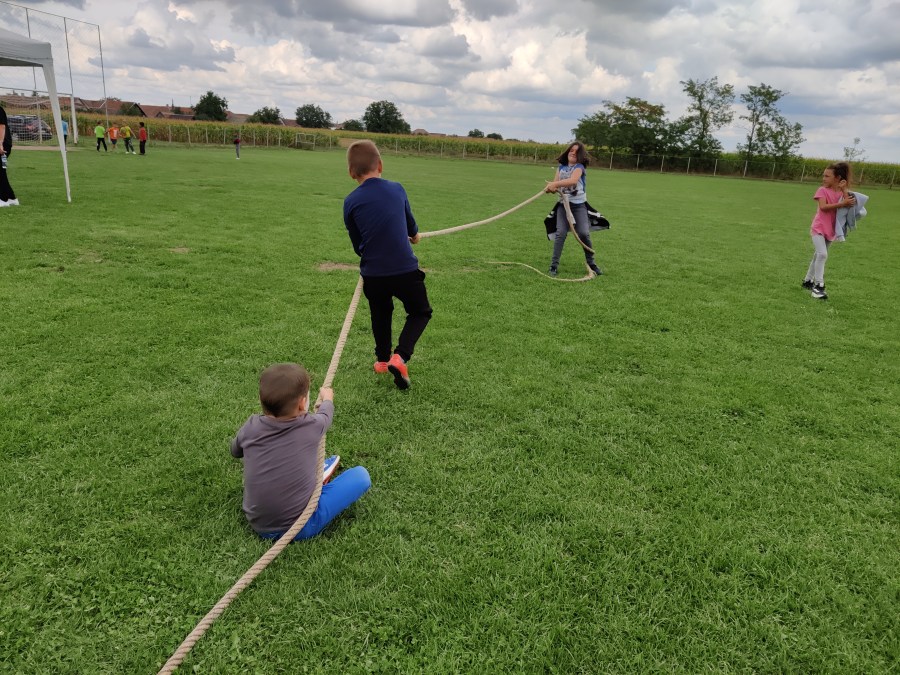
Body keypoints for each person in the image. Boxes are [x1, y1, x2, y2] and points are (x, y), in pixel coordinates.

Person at [231, 362, 371, 541]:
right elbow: (326, 415)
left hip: (258, 523)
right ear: (302, 403)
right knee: (360, 476)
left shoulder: (251, 426)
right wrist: (328, 399)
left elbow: (235, 451)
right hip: (300, 526)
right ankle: (319, 478)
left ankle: (316, 475)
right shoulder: (311, 426)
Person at [343, 140, 433, 390]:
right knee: (420, 312)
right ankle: (399, 357)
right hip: (405, 270)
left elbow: (358, 244)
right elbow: (410, 225)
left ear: (351, 173)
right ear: (380, 165)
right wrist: (414, 235)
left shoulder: (350, 201)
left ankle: (383, 360)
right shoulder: (397, 188)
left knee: (380, 313)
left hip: (374, 275)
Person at [544, 141, 602, 278]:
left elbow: (573, 181)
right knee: (560, 233)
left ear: (580, 155)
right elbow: (556, 186)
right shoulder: (561, 168)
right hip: (563, 206)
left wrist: (554, 184)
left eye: (577, 152)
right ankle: (553, 266)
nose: (573, 153)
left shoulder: (579, 167)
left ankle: (591, 263)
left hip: (579, 206)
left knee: (583, 233)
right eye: (571, 150)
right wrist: (551, 189)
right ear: (567, 152)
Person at [801, 162, 856, 300]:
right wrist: (842, 203)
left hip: (831, 229)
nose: (823, 178)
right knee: (822, 254)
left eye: (827, 176)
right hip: (819, 227)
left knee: (817, 255)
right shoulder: (822, 190)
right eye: (823, 175)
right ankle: (819, 286)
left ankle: (808, 281)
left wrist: (844, 189)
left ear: (837, 178)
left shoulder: (841, 192)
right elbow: (823, 207)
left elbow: (849, 204)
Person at [0, 104, 19, 206]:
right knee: (2, 171)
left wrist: (0, 144)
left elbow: (2, 126)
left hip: (3, 145)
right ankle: (11, 198)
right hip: (3, 144)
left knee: (1, 171)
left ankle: (3, 199)